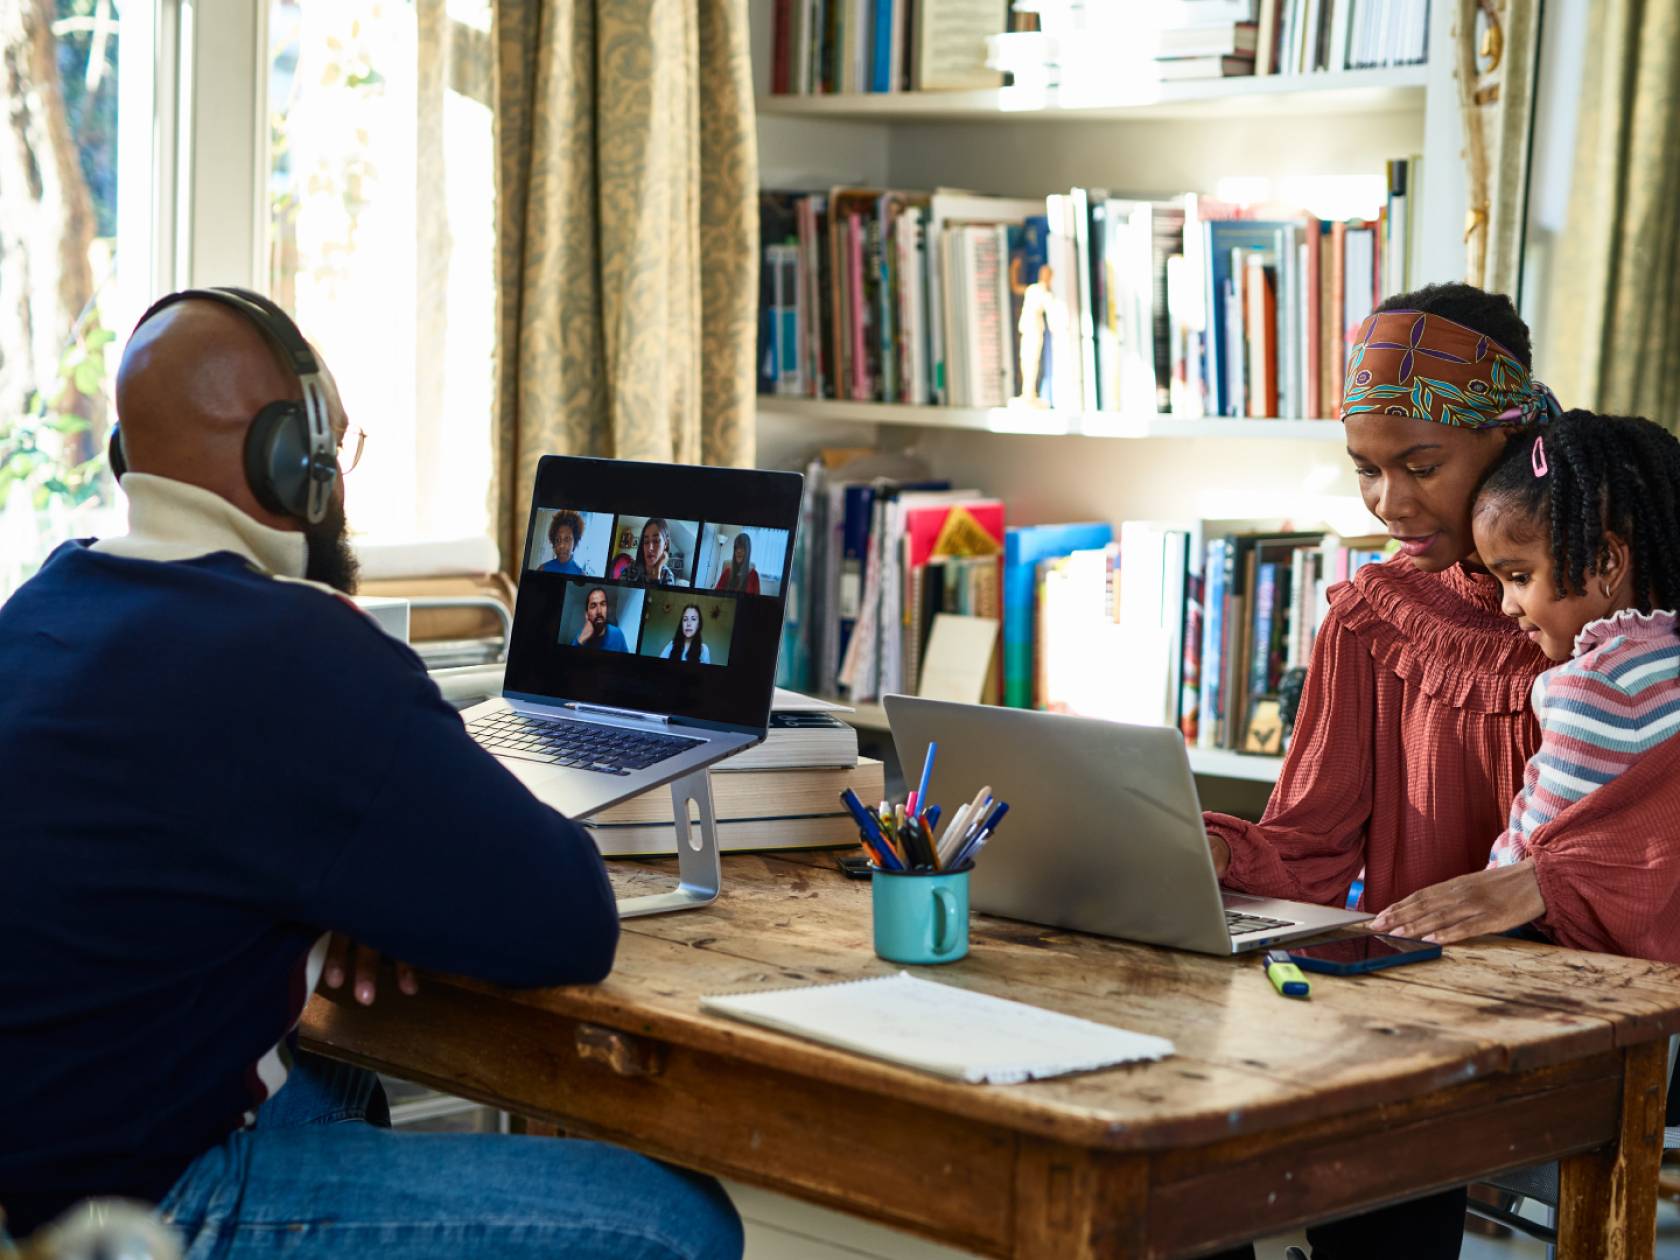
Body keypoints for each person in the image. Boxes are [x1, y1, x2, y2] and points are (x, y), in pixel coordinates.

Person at [0, 291, 742, 1259]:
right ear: (290, 459)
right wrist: (380, 881)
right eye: (333, 452)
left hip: (34, 1169)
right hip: (131, 1212)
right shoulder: (294, 649)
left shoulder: (43, 607)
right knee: (678, 1225)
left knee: (341, 1090)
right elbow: (569, 918)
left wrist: (345, 888)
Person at [1202, 283, 1561, 1260]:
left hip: (1588, 1003)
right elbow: (1308, 855)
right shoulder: (1373, 615)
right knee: (1176, 1181)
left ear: (1508, 438)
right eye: (1365, 469)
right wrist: (1173, 841)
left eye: (1421, 465)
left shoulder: (1610, 607)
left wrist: (1543, 884)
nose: (1390, 503)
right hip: (1417, 1007)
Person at [1372, 413, 1680, 961]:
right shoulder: (1663, 657)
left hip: (1568, 955)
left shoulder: (1595, 685)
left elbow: (1536, 849)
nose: (1507, 604)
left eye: (1518, 577)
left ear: (1607, 562)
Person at [574, 585, 631, 652]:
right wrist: (581, 640)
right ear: (587, 614)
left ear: (607, 609)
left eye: (603, 604)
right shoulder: (580, 638)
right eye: (593, 606)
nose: (599, 611)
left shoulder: (618, 634)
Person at [622, 518, 678, 585]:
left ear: (666, 544)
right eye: (646, 542)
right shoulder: (630, 569)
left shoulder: (668, 575)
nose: (649, 548)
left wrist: (657, 572)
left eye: (656, 541)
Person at [540, 509, 587, 574]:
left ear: (575, 543)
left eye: (567, 539)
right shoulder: (542, 569)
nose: (561, 545)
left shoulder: (581, 574)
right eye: (558, 540)